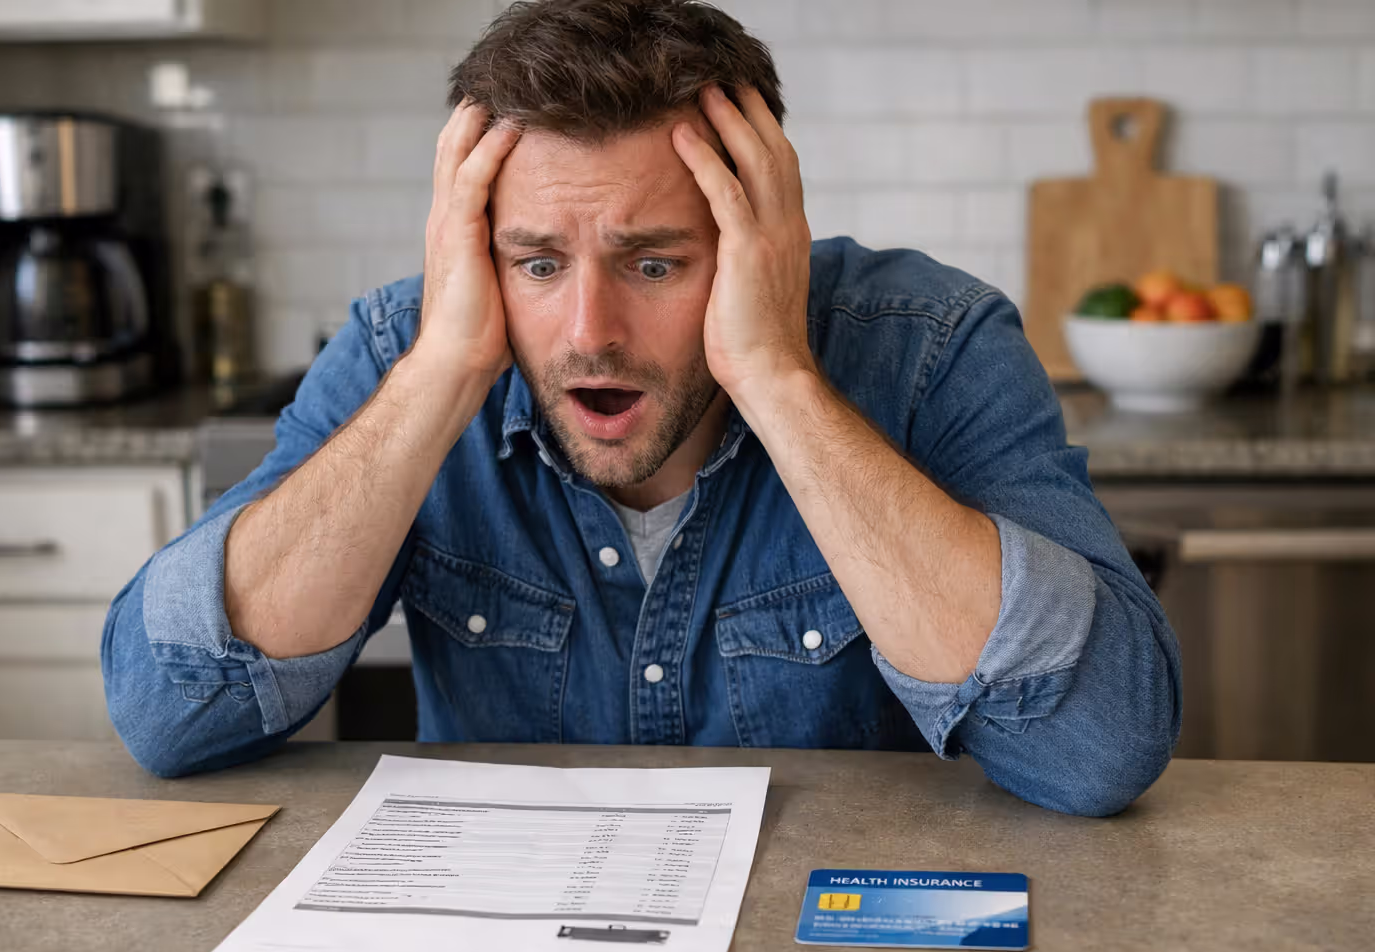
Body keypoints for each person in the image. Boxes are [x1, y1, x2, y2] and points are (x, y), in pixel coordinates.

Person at [102, 0, 1180, 816]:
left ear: (764, 241)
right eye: (536, 262)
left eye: (654, 264)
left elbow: (1097, 748)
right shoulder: (407, 351)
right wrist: (439, 377)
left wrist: (779, 379)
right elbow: (167, 715)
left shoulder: (933, 348)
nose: (589, 332)